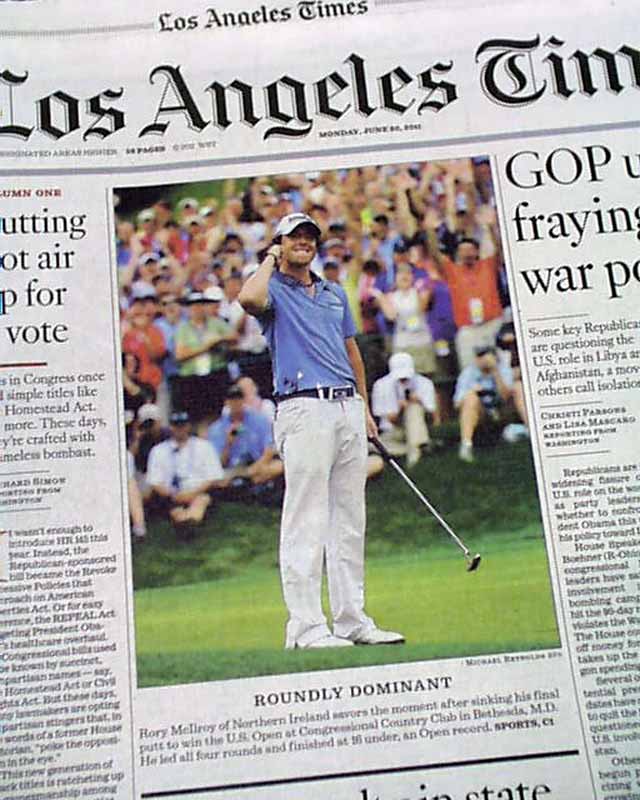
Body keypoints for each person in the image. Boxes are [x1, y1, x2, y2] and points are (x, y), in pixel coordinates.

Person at [239, 211, 404, 649]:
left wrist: (364, 407)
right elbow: (248, 298)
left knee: (349, 520)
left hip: (347, 406)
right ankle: (306, 627)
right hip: (302, 406)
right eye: (294, 236)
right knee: (306, 518)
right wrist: (270, 258)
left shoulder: (333, 292)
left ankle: (352, 620)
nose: (304, 242)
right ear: (279, 243)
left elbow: (352, 352)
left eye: (310, 236)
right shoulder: (272, 288)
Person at [146, 410, 224, 534]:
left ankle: (191, 520)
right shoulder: (158, 450)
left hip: (199, 491)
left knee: (202, 500)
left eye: (183, 425)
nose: (180, 429)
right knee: (171, 506)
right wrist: (173, 495)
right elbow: (155, 482)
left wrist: (193, 493)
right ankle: (183, 523)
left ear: (188, 426)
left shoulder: (204, 446)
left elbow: (213, 476)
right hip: (171, 494)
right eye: (176, 425)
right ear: (171, 427)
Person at [453, 345, 519, 463]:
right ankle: (466, 446)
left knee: (518, 388)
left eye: (486, 355)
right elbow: (457, 403)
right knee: (470, 399)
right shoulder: (468, 372)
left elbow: (506, 397)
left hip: (502, 410)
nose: (483, 359)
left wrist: (495, 372)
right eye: (480, 356)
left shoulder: (503, 369)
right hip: (482, 414)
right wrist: (473, 392)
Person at [371, 352, 436, 468]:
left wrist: (419, 402)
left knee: (414, 408)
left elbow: (434, 417)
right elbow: (390, 420)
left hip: (420, 426)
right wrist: (400, 408)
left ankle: (413, 455)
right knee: (372, 445)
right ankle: (417, 447)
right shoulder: (381, 386)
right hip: (395, 430)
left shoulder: (425, 383)